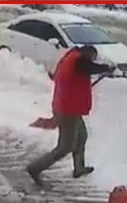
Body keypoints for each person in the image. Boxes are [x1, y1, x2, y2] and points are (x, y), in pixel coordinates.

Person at [27, 45, 115, 185]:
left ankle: (79, 168)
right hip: (67, 109)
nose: (93, 60)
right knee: (65, 147)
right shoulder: (78, 60)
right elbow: (89, 68)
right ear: (88, 54)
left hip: (68, 106)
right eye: (93, 57)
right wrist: (106, 68)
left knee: (81, 137)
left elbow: (85, 70)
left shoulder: (71, 58)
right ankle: (35, 168)